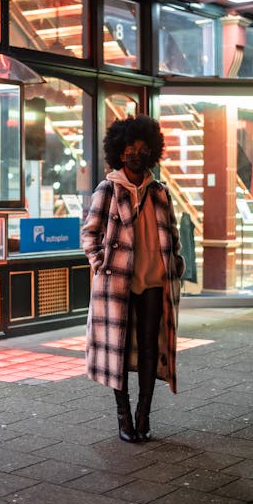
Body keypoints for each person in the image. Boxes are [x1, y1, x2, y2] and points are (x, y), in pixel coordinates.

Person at [82, 115, 185, 442]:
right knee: (119, 349)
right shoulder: (108, 189)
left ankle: (144, 415)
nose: (136, 153)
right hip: (118, 284)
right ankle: (123, 415)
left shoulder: (160, 192)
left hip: (154, 281)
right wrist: (101, 263)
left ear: (152, 151)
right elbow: (89, 234)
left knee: (151, 350)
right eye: (130, 147)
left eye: (143, 148)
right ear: (119, 151)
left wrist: (176, 264)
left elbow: (173, 234)